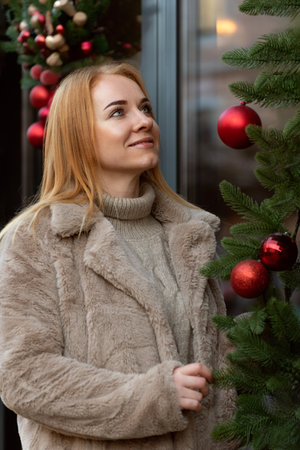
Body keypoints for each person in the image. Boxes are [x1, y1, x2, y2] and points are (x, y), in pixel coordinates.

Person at [0, 62, 236, 449]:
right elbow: (24, 376)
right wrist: (153, 397)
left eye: (145, 108)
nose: (143, 121)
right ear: (79, 136)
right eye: (118, 112)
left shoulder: (188, 235)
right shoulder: (38, 238)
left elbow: (216, 367)